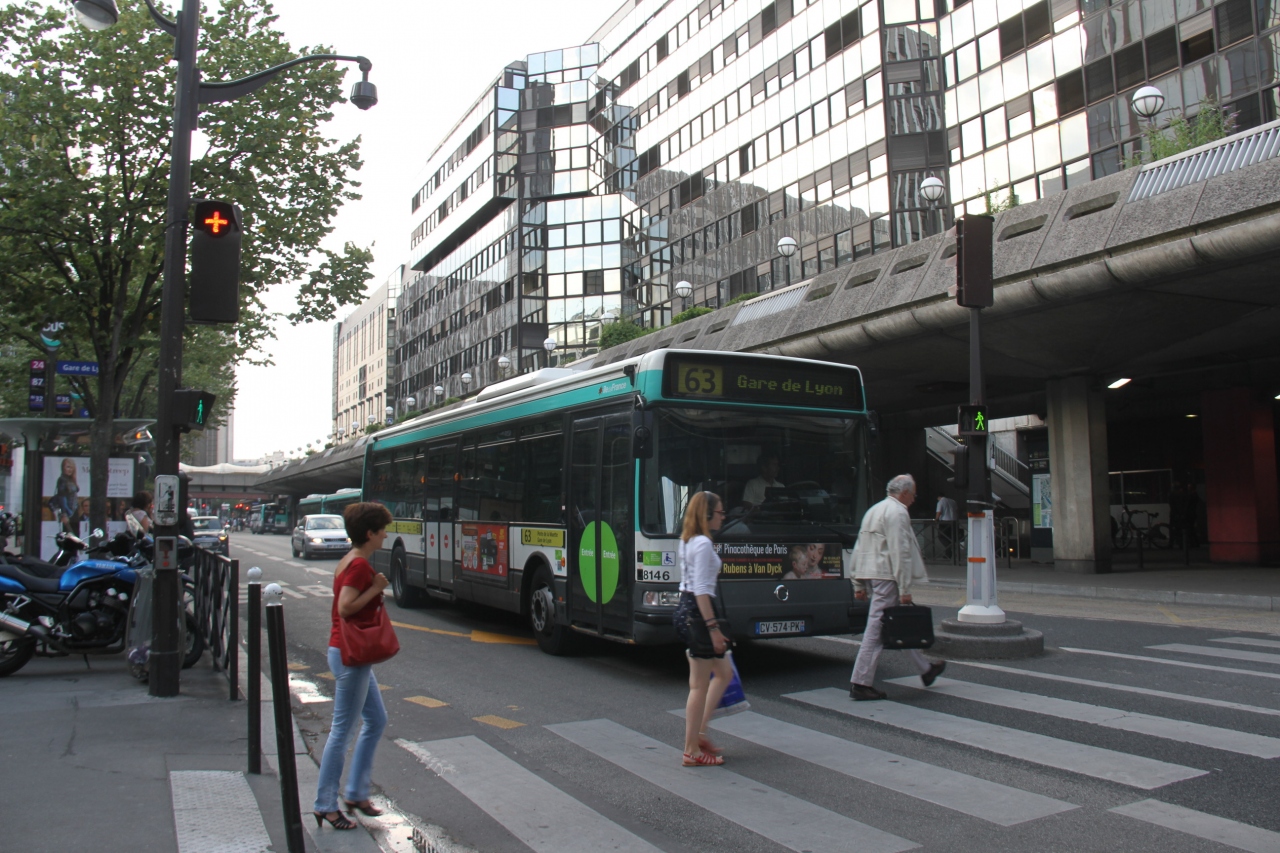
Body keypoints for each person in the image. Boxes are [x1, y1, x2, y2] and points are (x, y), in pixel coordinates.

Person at [313, 502, 392, 830]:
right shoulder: (359, 565)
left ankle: (357, 792)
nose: (386, 535)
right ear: (370, 533)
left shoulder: (351, 559)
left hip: (346, 651)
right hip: (350, 653)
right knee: (342, 730)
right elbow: (345, 607)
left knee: (376, 719)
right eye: (383, 530)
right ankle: (326, 804)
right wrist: (375, 588)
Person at [849, 474, 945, 701]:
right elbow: (900, 552)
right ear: (904, 493)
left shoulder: (874, 510)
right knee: (876, 629)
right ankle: (861, 682)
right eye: (913, 494)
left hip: (872, 574)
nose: (914, 499)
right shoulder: (898, 512)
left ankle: (926, 669)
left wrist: (858, 582)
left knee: (897, 624)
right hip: (887, 575)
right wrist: (904, 589)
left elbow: (860, 547)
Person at [676, 491, 732, 767]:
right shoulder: (703, 544)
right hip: (699, 613)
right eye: (720, 512)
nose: (723, 517)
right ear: (707, 514)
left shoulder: (687, 540)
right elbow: (700, 590)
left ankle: (698, 735)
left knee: (723, 673)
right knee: (699, 685)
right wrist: (713, 628)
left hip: (689, 610)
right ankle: (691, 749)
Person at [49, 457, 80, 533]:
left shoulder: (71, 479)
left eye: (71, 467)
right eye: (68, 467)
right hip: (68, 512)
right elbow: (62, 497)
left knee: (75, 534)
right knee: (69, 534)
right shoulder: (62, 480)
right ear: (63, 468)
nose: (70, 469)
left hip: (74, 512)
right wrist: (65, 514)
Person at [935, 493, 959, 558]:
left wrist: (936, 519)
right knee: (951, 537)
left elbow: (939, 512)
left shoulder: (940, 502)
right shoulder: (953, 501)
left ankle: (949, 551)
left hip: (944, 522)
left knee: (941, 537)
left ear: (939, 497)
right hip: (954, 521)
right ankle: (950, 553)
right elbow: (957, 511)